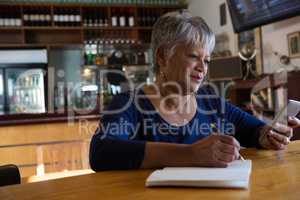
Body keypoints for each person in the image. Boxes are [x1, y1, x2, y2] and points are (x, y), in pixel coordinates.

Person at [89, 10, 300, 171]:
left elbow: (254, 130)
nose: (203, 67)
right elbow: (101, 152)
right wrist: (190, 154)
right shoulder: (130, 104)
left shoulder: (210, 102)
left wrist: (268, 135)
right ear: (162, 56)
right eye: (193, 56)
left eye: (206, 60)